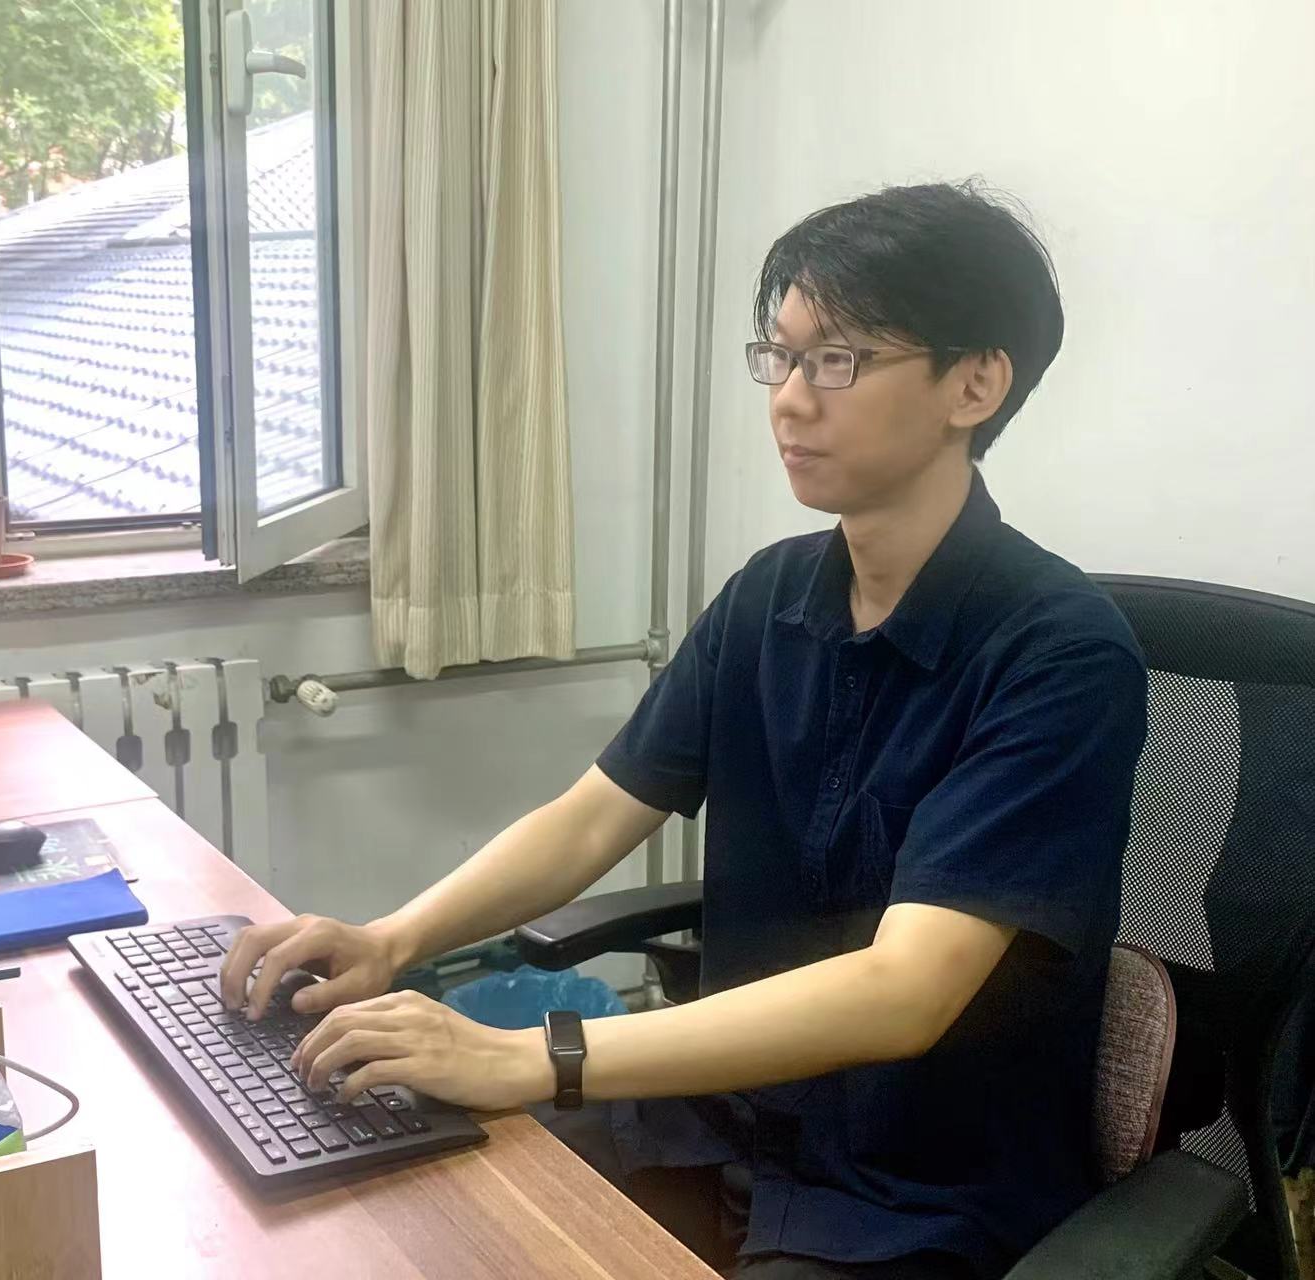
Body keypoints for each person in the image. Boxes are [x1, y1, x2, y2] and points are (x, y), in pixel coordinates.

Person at [220, 182, 1148, 1279]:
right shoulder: (770, 597)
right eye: (780, 357)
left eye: (836, 360)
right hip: (715, 1118)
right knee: (411, 1210)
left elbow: (904, 990)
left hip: (910, 1190)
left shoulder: (1058, 655)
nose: (789, 402)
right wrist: (392, 939)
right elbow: (591, 818)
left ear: (974, 382)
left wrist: (538, 1054)